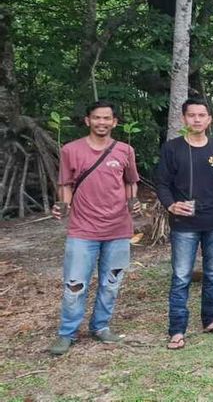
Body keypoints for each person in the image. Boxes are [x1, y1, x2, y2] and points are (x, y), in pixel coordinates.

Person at [49, 100, 141, 356]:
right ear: (88, 120)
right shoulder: (70, 150)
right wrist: (63, 206)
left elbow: (131, 182)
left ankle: (100, 325)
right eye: (96, 118)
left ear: (115, 122)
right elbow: (65, 184)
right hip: (82, 228)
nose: (102, 122)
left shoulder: (125, 150)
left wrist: (132, 201)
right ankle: (67, 332)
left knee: (112, 281)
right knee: (75, 283)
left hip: (118, 227)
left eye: (107, 118)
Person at [157, 98, 213, 350]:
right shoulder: (172, 148)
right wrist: (171, 205)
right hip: (184, 224)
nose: (197, 119)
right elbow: (161, 183)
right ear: (184, 119)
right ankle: (177, 329)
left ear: (209, 119)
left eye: (202, 115)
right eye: (192, 115)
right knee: (181, 276)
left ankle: (210, 319)